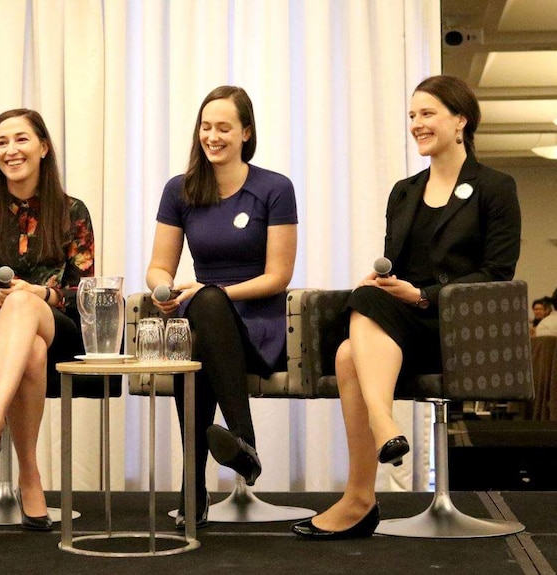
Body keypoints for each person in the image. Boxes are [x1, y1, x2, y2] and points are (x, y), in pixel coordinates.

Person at [292, 75, 521, 540]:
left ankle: (366, 476)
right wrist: (381, 282)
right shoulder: (404, 191)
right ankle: (365, 481)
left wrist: (421, 296)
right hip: (401, 332)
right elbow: (394, 264)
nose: (416, 124)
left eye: (428, 113)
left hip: (459, 333)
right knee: (353, 335)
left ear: (461, 121)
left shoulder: (495, 187)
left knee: (348, 352)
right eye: (412, 115)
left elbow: (497, 273)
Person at [146, 86, 298, 529]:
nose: (213, 136)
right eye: (206, 127)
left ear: (246, 133)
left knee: (207, 309)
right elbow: (159, 266)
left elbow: (278, 276)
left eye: (224, 128)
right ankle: (238, 451)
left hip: (259, 324)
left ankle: (198, 478)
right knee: (196, 329)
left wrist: (210, 291)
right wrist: (163, 290)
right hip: (201, 317)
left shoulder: (274, 188)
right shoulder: (180, 190)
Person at [0, 108, 94, 531]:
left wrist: (40, 293)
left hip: (59, 326)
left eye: (21, 140)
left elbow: (84, 290)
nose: (11, 150)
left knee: (26, 306)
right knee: (28, 345)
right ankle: (31, 477)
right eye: (1, 142)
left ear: (44, 147)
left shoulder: (71, 210)